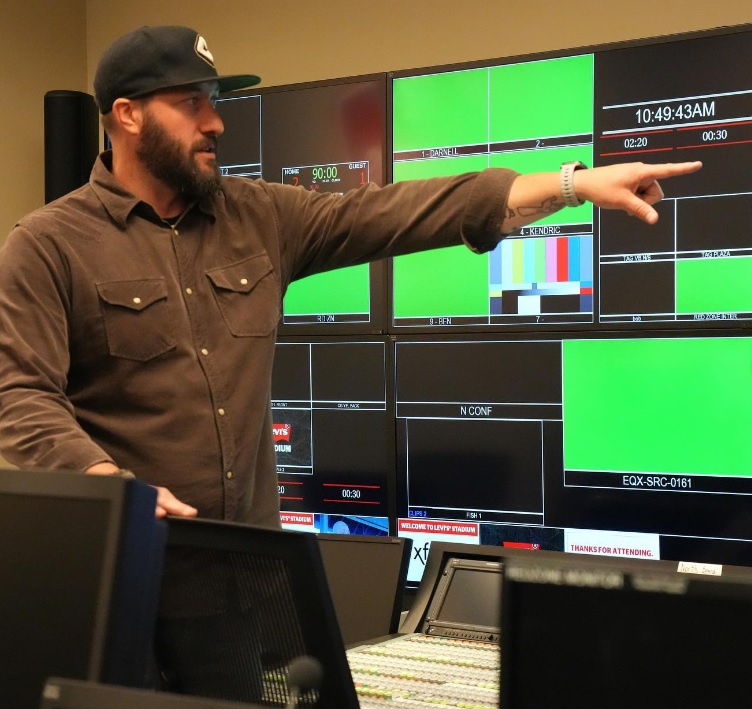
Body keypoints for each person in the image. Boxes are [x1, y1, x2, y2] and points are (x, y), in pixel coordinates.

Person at [0, 25, 702, 526]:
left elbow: (398, 210)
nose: (215, 122)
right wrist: (108, 488)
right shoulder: (49, 246)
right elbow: (19, 397)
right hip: (127, 567)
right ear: (126, 115)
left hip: (247, 575)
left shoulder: (259, 216)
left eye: (216, 100)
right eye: (192, 103)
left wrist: (571, 184)